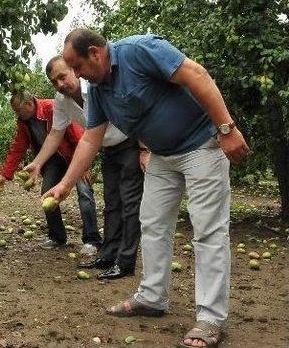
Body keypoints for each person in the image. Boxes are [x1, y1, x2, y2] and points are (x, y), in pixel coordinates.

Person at [42, 28, 250, 348]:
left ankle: (210, 319)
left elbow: (196, 73)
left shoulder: (140, 51)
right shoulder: (97, 91)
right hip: (162, 156)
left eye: (78, 67)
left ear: (95, 53)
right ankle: (152, 298)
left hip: (201, 146)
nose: (78, 76)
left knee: (208, 231)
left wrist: (226, 128)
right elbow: (90, 138)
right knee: (151, 224)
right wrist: (65, 183)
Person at [25, 56, 143, 280]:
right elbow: (55, 134)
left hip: (129, 143)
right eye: (54, 81)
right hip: (109, 148)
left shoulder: (97, 87)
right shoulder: (62, 100)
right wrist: (38, 162)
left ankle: (125, 261)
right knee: (111, 203)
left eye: (63, 76)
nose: (60, 84)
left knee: (129, 203)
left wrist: (144, 147)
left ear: (75, 71)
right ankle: (107, 254)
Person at [0, 91, 102, 252]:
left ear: (29, 104)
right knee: (47, 192)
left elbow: (77, 134)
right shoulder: (24, 122)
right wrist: (5, 174)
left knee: (84, 192)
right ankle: (57, 237)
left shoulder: (52, 108)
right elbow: (18, 147)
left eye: (18, 110)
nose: (17, 114)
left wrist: (84, 165)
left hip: (73, 154)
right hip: (53, 160)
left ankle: (92, 240)